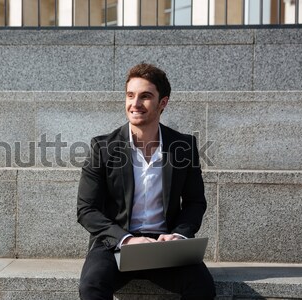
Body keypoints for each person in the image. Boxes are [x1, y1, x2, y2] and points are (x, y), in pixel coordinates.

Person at [77, 63, 216, 300]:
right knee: (91, 285)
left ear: (163, 103)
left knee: (202, 286)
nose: (135, 104)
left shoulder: (183, 147)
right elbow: (86, 210)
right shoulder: (102, 147)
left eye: (145, 96)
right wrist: (127, 239)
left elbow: (195, 203)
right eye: (130, 95)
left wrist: (179, 235)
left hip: (164, 245)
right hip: (116, 243)